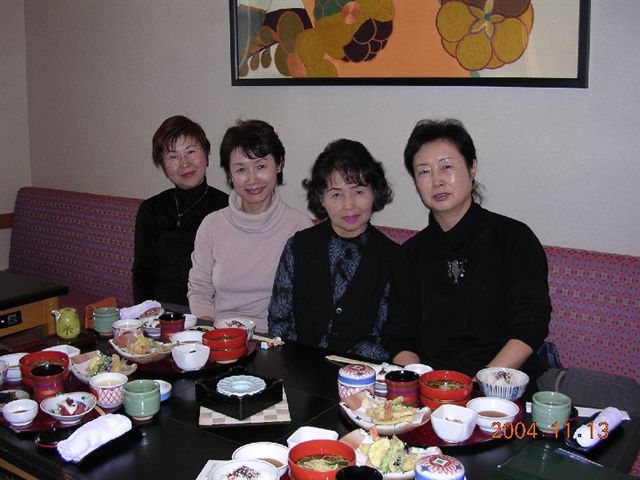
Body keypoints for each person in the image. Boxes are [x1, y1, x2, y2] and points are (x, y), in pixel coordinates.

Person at [382, 119, 551, 380]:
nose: (437, 181)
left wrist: (479, 382)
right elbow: (399, 334)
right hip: (431, 385)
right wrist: (422, 379)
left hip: (502, 384)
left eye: (446, 167)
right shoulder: (410, 254)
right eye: (424, 171)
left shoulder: (514, 238)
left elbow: (531, 324)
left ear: (472, 167)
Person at [268, 139, 397, 361]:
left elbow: (387, 337)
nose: (349, 204)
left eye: (358, 191)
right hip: (300, 369)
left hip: (364, 374)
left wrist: (345, 370)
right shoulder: (298, 247)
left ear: (374, 192)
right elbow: (279, 321)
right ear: (321, 198)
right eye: (336, 194)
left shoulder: (392, 257)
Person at [188, 119, 312, 332]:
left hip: (275, 338)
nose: (252, 179)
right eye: (241, 169)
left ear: (279, 164)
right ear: (230, 174)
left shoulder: (300, 228)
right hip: (220, 335)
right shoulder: (212, 225)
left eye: (261, 166)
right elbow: (200, 289)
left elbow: (308, 300)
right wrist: (208, 333)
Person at [132, 115, 228, 312]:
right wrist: (145, 314)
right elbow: (142, 272)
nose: (184, 163)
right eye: (173, 156)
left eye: (190, 151)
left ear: (206, 154)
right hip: (161, 314)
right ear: (164, 166)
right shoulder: (151, 209)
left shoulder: (228, 208)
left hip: (211, 314)